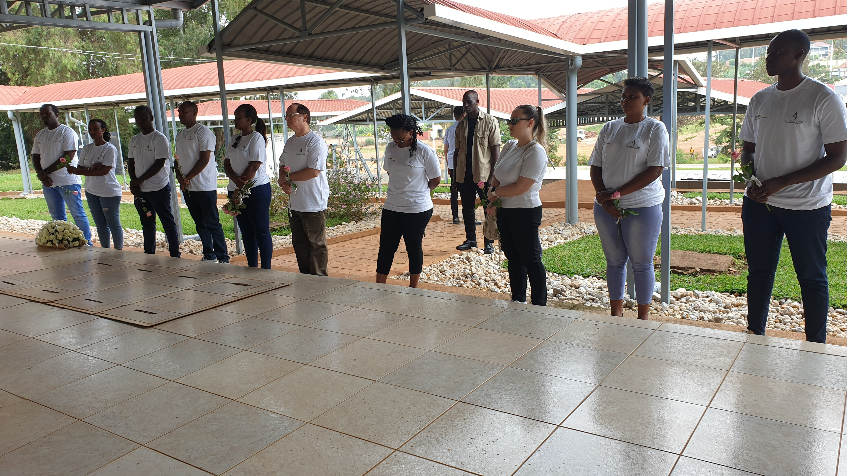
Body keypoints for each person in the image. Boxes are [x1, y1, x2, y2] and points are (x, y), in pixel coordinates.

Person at [739, 29, 847, 343]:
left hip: (807, 207)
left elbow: (838, 158)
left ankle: (815, 344)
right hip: (760, 204)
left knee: (811, 277)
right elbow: (748, 147)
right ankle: (754, 334)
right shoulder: (760, 98)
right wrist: (751, 176)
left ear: (799, 54)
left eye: (777, 53)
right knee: (759, 272)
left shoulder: (822, 97)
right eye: (769, 53)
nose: (769, 58)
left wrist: (781, 182)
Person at [590, 77, 670, 320]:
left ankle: (643, 318)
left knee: (642, 263)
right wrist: (605, 200)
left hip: (642, 207)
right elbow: (595, 166)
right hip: (606, 208)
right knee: (614, 262)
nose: (625, 101)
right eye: (623, 97)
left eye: (632, 97)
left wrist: (616, 195)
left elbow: (655, 169)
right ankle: (616, 314)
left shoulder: (655, 129)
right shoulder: (610, 128)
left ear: (646, 100)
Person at [487, 105, 549, 306]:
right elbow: (496, 175)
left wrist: (494, 193)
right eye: (509, 120)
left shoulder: (535, 151)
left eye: (515, 120)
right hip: (505, 210)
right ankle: (517, 299)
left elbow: (521, 187)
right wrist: (494, 198)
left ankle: (539, 303)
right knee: (513, 256)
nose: (509, 124)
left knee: (530, 258)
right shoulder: (509, 146)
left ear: (530, 122)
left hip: (525, 211)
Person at [376, 114, 441, 288]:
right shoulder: (390, 148)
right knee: (386, 247)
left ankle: (414, 287)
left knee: (413, 246)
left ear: (411, 133)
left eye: (401, 138)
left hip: (417, 209)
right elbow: (391, 172)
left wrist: (416, 191)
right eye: (394, 137)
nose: (397, 141)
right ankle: (379, 285)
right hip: (392, 207)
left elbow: (435, 180)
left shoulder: (424, 151)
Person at [278, 103, 329, 276]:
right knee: (299, 244)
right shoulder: (291, 141)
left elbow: (314, 171)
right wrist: (282, 179)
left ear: (304, 117)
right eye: (286, 116)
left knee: (316, 244)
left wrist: (288, 178)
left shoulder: (315, 141)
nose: (287, 119)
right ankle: (306, 278)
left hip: (313, 202)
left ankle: (319, 280)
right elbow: (283, 163)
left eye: (291, 115)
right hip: (295, 203)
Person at [175, 101, 229, 264]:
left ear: (194, 113)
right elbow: (177, 159)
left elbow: (204, 159)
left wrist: (188, 177)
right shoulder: (180, 135)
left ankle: (222, 257)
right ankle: (208, 254)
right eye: (180, 111)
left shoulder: (203, 132)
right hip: (188, 186)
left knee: (212, 222)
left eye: (184, 111)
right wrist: (180, 177)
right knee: (199, 222)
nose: (181, 114)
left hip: (204, 186)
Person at [31, 103, 92, 244]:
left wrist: (45, 173)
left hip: (68, 182)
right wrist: (42, 174)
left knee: (77, 213)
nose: (45, 117)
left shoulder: (67, 132)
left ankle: (86, 242)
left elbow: (68, 157)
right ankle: (63, 242)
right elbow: (35, 156)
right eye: (42, 115)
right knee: (57, 217)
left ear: (57, 114)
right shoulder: (40, 135)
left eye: (48, 114)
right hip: (49, 184)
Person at [128, 105, 180, 258]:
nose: (140, 121)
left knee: (167, 221)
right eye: (137, 119)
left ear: (151, 117)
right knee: (147, 222)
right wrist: (134, 182)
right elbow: (131, 162)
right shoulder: (134, 139)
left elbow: (159, 163)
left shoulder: (159, 138)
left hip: (159, 188)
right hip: (141, 190)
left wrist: (139, 180)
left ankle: (174, 254)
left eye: (144, 117)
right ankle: (149, 253)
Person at [225, 104, 272, 269]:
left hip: (256, 190)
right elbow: (226, 163)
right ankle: (252, 266)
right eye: (235, 117)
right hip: (237, 189)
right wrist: (235, 184)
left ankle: (266, 268)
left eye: (239, 117)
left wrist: (240, 187)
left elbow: (254, 166)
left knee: (261, 230)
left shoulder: (256, 138)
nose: (235, 120)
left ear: (249, 120)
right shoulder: (235, 138)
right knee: (246, 231)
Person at [454, 90, 501, 254]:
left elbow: (496, 150)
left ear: (477, 102)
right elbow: (456, 152)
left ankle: (489, 242)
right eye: (464, 102)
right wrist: (454, 178)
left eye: (469, 102)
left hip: (482, 177)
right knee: (467, 208)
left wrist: (492, 177)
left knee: (487, 207)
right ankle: (471, 240)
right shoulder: (461, 125)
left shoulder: (490, 121)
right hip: (465, 176)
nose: (466, 105)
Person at [67, 119, 123, 250]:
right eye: (90, 130)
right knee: (100, 224)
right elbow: (80, 168)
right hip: (91, 191)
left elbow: (104, 171)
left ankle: (118, 251)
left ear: (103, 130)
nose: (92, 132)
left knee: (113, 223)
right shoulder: (87, 148)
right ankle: (105, 250)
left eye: (95, 129)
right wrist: (92, 169)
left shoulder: (109, 148)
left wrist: (87, 170)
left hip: (108, 191)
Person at [443, 105, 465, 224]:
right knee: (467, 191)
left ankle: (455, 217)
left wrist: (448, 164)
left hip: (453, 164)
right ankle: (469, 216)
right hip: (465, 164)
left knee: (454, 191)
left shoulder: (449, 129)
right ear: (464, 115)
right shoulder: (467, 128)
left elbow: (446, 149)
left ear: (454, 115)